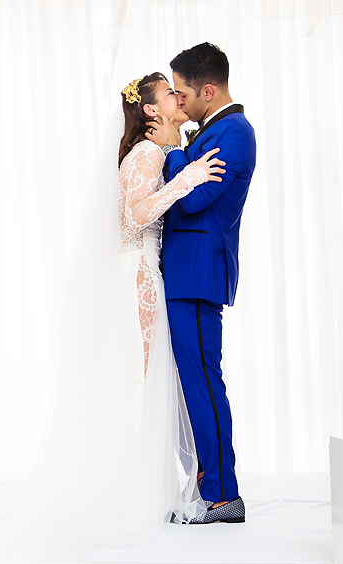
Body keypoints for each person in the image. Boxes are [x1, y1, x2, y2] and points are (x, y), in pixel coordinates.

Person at [0, 73, 226, 564]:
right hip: (139, 274)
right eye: (169, 95)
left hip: (150, 271)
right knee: (146, 378)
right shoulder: (145, 155)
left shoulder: (155, 152)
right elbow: (135, 217)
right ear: (153, 111)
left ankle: (156, 485)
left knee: (155, 379)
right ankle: (139, 491)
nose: (179, 99)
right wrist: (184, 182)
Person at [146, 42, 256, 524]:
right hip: (185, 272)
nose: (180, 102)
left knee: (204, 385)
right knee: (192, 385)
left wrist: (173, 154)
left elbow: (190, 200)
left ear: (207, 91)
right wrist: (184, 162)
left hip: (197, 274)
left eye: (184, 93)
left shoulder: (235, 133)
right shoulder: (212, 129)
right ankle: (207, 485)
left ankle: (223, 495)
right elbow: (187, 183)